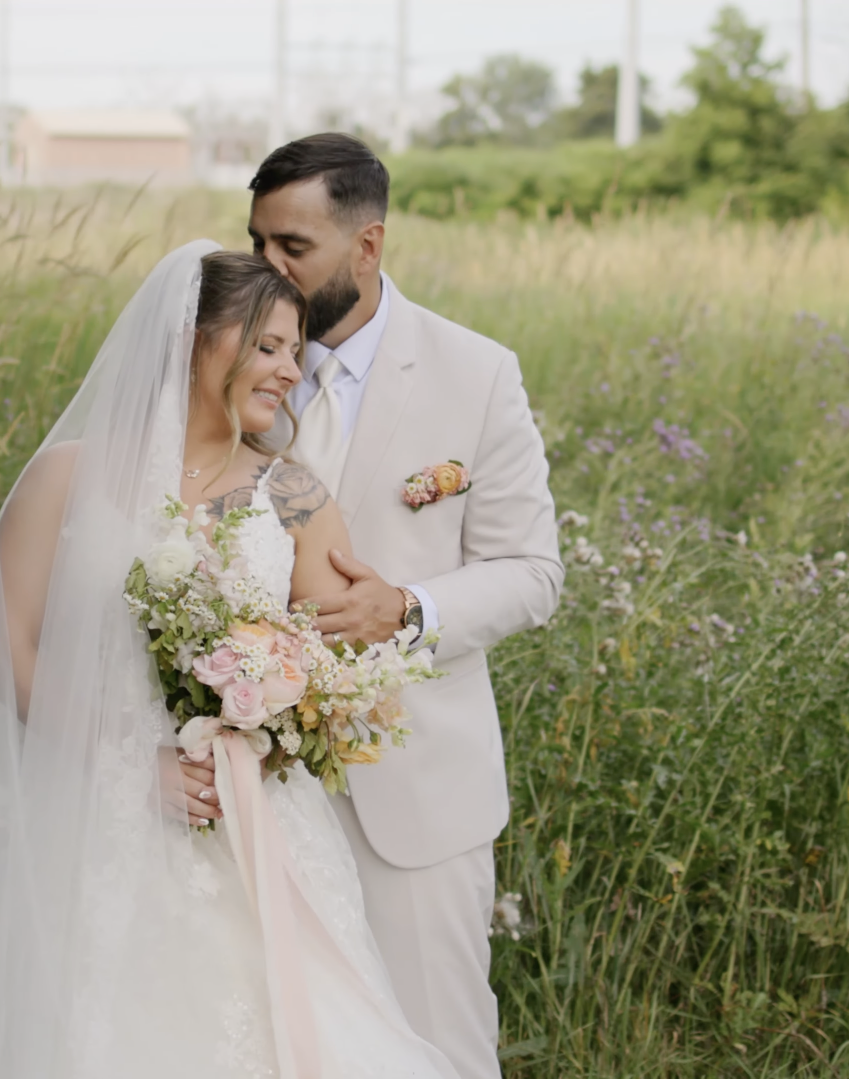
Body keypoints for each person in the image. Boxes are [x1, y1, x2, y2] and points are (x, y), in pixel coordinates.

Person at [0, 244, 462, 1077]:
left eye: (296, 350)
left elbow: (334, 673)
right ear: (190, 337)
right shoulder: (63, 477)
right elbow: (3, 649)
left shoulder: (294, 497)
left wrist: (277, 713)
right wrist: (123, 764)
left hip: (247, 828)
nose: (289, 370)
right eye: (266, 346)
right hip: (94, 820)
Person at [245, 133, 563, 1079]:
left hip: (417, 788)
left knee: (438, 1051)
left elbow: (532, 571)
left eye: (292, 248)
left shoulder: (477, 373)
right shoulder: (227, 367)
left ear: (368, 246)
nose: (267, 267)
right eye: (256, 240)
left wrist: (409, 608)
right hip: (255, 782)